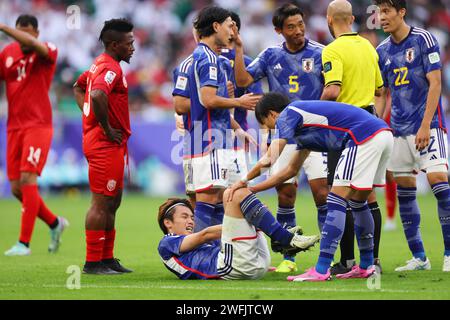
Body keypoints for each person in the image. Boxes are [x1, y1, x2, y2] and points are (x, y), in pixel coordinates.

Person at [228, 93, 393, 281]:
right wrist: (252, 189)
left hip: (363, 137)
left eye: (266, 124)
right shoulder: (304, 130)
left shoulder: (289, 113)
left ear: (273, 114)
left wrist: (243, 180)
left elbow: (270, 158)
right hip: (382, 134)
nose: (272, 130)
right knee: (358, 201)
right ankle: (366, 266)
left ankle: (321, 270)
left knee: (336, 199)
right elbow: (290, 171)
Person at [233, 3, 329, 273]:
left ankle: (327, 257)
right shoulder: (269, 55)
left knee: (323, 194)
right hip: (283, 137)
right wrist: (240, 48)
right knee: (285, 194)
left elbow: (334, 88)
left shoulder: (322, 53)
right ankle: (289, 256)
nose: (298, 31)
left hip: (317, 134)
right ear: (278, 30)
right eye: (291, 27)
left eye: (301, 24)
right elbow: (242, 81)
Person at [375, 0, 450, 272]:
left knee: (439, 183)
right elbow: (382, 93)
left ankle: (449, 254)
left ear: (401, 12)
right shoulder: (381, 50)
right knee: (405, 192)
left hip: (428, 127)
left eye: (386, 12)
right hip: (397, 130)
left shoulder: (423, 39)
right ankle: (419, 257)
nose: (381, 17)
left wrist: (425, 125)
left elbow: (436, 83)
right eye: (379, 12)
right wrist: (376, 126)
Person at [320, 0, 384, 275]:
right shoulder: (369, 47)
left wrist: (315, 111)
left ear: (329, 19)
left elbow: (333, 90)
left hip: (345, 128)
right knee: (366, 194)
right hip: (371, 123)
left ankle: (346, 261)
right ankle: (373, 261)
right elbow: (380, 90)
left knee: (340, 194)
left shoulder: (332, 49)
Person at [186, 6, 260, 234]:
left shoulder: (206, 57)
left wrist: (237, 127)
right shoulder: (208, 59)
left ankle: (219, 252)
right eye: (229, 25)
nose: (233, 32)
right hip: (211, 141)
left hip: (214, 139)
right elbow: (208, 100)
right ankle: (201, 253)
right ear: (216, 26)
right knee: (209, 199)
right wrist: (239, 102)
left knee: (223, 197)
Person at [0, 15, 68, 256]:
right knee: (17, 188)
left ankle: (23, 244)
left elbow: (39, 47)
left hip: (38, 126)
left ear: (37, 34)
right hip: (13, 127)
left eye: (28, 33)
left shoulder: (47, 50)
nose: (24, 38)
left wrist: (4, 26)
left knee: (28, 179)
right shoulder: (7, 53)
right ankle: (54, 223)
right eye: (20, 33)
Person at [73, 18, 135, 275]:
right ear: (114, 44)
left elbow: (79, 87)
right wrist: (106, 128)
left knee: (113, 202)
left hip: (107, 143)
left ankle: (107, 258)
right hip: (103, 144)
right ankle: (92, 262)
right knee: (101, 203)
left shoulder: (100, 63)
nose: (133, 48)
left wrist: (87, 113)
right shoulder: (110, 68)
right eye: (128, 43)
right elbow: (97, 94)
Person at [157, 192, 320, 280]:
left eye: (192, 217)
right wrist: (245, 223)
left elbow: (222, 243)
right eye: (184, 217)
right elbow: (205, 235)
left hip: (252, 264)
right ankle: (283, 238)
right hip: (227, 268)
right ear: (168, 223)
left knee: (241, 201)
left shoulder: (190, 243)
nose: (191, 221)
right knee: (235, 195)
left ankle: (279, 238)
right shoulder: (166, 243)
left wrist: (251, 220)